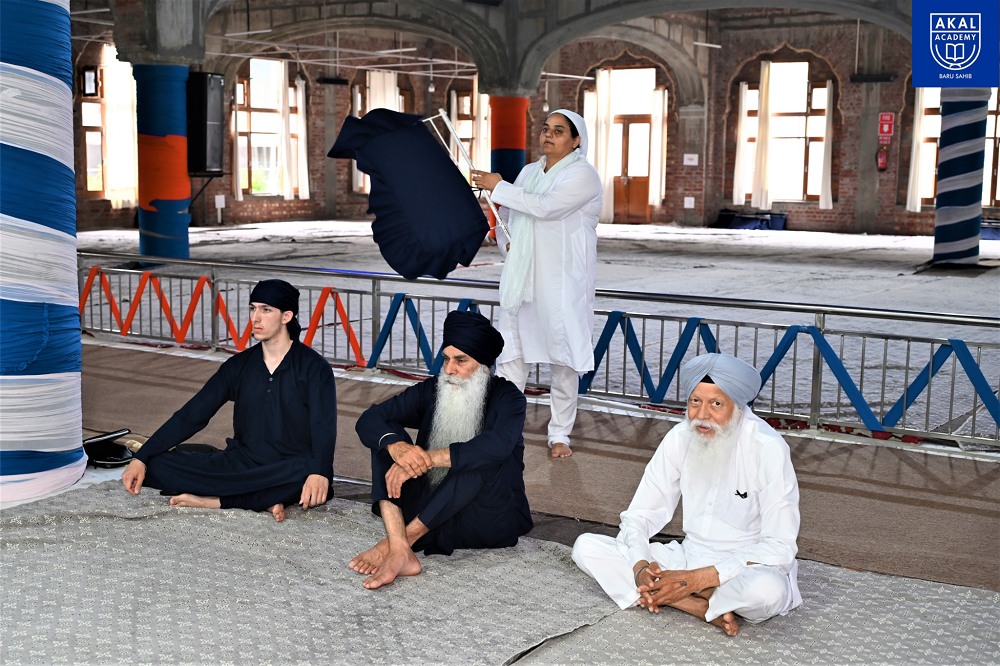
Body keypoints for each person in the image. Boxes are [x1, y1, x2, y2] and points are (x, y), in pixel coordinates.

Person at [571, 353, 802, 636]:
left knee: (768, 591)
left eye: (716, 404)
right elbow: (639, 516)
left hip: (743, 567)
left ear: (738, 406)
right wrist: (642, 566)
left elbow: (780, 547)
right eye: (695, 402)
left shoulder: (768, 447)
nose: (702, 415)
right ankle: (697, 606)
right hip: (687, 557)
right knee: (586, 547)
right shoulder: (680, 437)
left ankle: (675, 593)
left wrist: (696, 579)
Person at [120, 279, 338, 522]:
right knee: (156, 466)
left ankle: (218, 501)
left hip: (287, 468)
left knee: (318, 481)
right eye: (253, 308)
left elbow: (323, 427)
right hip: (240, 463)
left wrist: (319, 472)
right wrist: (141, 457)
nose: (256, 318)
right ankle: (263, 500)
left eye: (266, 310)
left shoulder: (314, 368)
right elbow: (193, 415)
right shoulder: (238, 366)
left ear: (286, 316)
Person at [350, 310, 532, 589]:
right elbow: (371, 419)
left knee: (484, 457)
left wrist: (431, 458)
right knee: (386, 441)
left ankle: (400, 541)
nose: (449, 370)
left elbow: (497, 446)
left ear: (484, 365)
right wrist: (399, 449)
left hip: (483, 518)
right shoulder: (432, 389)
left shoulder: (509, 398)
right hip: (428, 504)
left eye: (461, 361)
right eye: (446, 359)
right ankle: (401, 550)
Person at [471, 109, 603, 459]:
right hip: (524, 278)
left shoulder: (583, 175)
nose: (548, 135)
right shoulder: (529, 171)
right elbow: (508, 220)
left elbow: (546, 208)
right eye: (546, 129)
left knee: (563, 362)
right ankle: (504, 430)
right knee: (513, 357)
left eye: (558, 131)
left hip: (563, 285)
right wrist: (506, 241)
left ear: (576, 140)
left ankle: (560, 434)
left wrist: (498, 186)